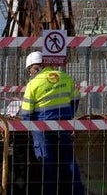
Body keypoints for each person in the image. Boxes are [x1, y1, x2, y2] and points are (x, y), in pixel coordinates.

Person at [21, 50, 85, 194]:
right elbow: (75, 99)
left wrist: (32, 127)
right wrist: (67, 115)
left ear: (34, 67)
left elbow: (25, 114)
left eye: (29, 70)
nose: (30, 73)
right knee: (69, 163)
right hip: (64, 126)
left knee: (46, 165)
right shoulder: (64, 76)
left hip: (42, 130)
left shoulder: (33, 84)